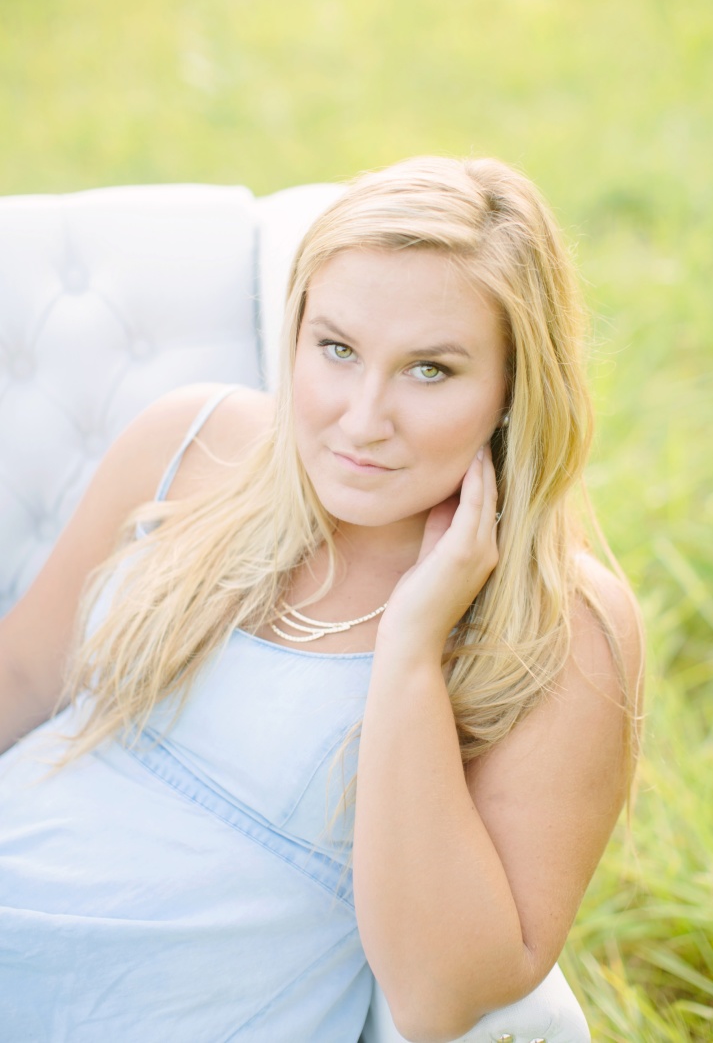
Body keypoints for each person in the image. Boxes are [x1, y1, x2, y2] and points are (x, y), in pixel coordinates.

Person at [0, 155, 642, 1042]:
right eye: (337, 349)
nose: (362, 417)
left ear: (511, 390)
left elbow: (438, 997)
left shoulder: (559, 628)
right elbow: (23, 677)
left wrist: (413, 647)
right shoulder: (189, 443)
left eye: (430, 370)